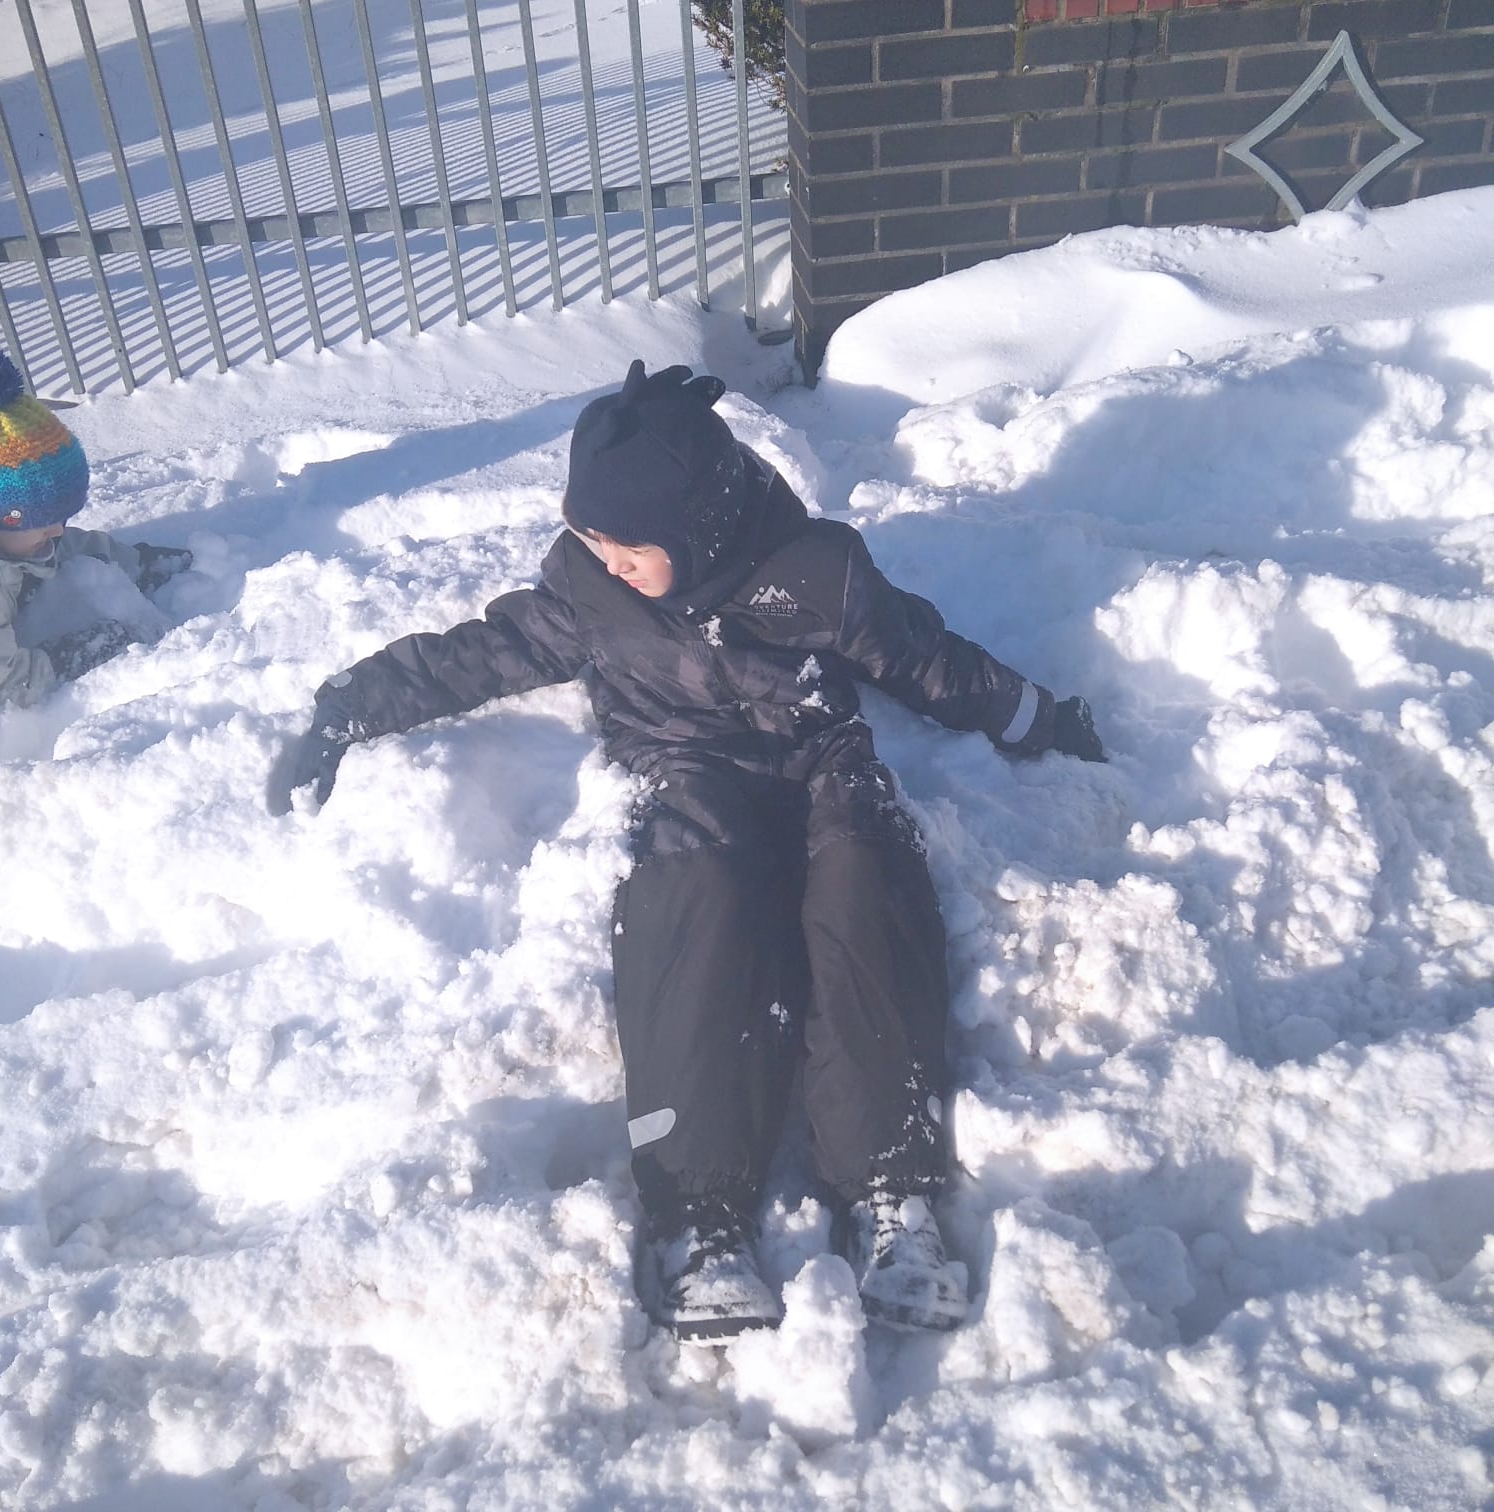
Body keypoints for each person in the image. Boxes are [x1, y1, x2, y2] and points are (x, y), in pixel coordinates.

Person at [286, 360, 1106, 1342]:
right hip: (688, 771)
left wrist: (1036, 717)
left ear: (701, 529)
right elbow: (479, 652)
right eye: (589, 536)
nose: (605, 560)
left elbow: (926, 659)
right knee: (697, 907)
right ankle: (702, 1217)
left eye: (628, 545)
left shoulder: (819, 575)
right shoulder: (591, 589)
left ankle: (893, 1192)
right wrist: (347, 709)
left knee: (866, 879)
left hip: (819, 759)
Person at [0, 344, 192, 706]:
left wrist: (136, 564)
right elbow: (0, 685)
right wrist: (70, 655)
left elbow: (71, 546)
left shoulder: (19, 539)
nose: (56, 531)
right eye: (42, 523)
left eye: (62, 518)